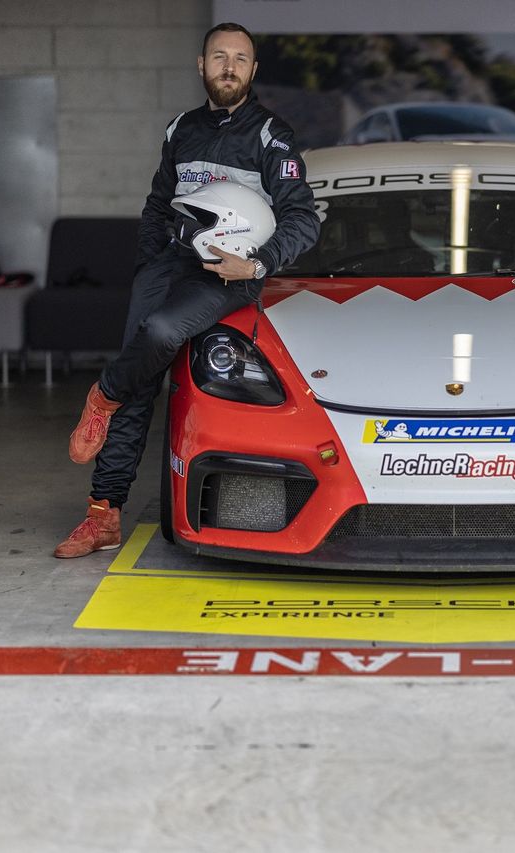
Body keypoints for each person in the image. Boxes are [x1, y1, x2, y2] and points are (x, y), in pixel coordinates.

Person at [54, 22, 320, 558]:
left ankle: (102, 391)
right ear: (201, 66)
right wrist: (150, 263)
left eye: (240, 59)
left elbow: (303, 218)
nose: (229, 67)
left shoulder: (273, 135)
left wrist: (258, 264)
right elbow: (158, 203)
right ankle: (102, 515)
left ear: (253, 70)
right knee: (141, 388)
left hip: (227, 274)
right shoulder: (181, 128)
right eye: (219, 57)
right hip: (167, 266)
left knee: (157, 334)